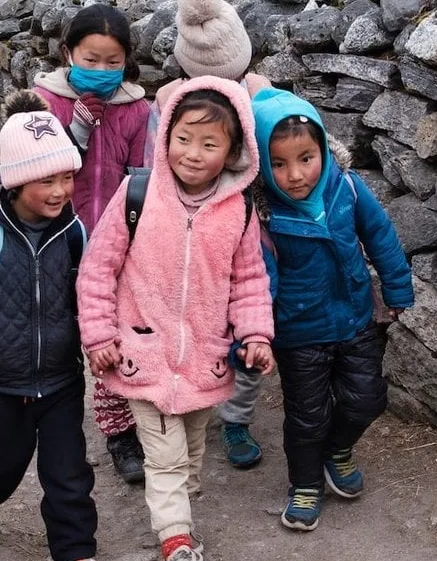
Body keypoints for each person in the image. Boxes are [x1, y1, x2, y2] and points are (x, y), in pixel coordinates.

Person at [77, 76, 275, 561]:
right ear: (165, 135)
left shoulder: (239, 211)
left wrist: (255, 334)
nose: (192, 152)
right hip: (144, 354)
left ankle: (179, 515)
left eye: (210, 143)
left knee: (189, 459)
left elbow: (248, 281)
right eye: (183, 138)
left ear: (233, 152)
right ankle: (176, 541)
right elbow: (98, 268)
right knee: (164, 461)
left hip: (206, 360)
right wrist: (100, 333)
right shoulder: (136, 194)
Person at [0, 90, 98, 561]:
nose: (59, 191)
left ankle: (75, 549)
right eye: (46, 179)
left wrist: (100, 348)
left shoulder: (74, 234)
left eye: (67, 177)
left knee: (69, 474)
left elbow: (86, 301)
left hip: (61, 381)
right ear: (15, 179)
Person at [249, 86, 414, 531]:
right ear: (262, 164)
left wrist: (397, 291)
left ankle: (338, 451)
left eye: (306, 158)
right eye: (279, 164)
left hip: (356, 318)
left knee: (367, 399)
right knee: (308, 415)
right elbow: (258, 281)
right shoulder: (262, 216)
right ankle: (304, 484)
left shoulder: (349, 189)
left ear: (322, 148)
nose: (296, 175)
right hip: (299, 333)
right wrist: (254, 335)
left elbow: (381, 237)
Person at [141, 0, 272, 470]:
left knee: (249, 324)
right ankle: (185, 394)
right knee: (193, 320)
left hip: (247, 229)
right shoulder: (169, 104)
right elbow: (153, 168)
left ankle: (236, 416)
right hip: (183, 235)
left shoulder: (261, 94)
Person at [31, 3, 152, 484]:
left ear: (127, 60)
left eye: (112, 62)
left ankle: (119, 431)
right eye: (90, 59)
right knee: (63, 331)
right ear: (67, 53)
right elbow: (34, 171)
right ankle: (52, 412)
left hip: (118, 240)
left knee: (113, 335)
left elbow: (143, 174)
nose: (101, 71)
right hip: (56, 236)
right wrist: (76, 131)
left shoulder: (137, 110)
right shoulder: (43, 103)